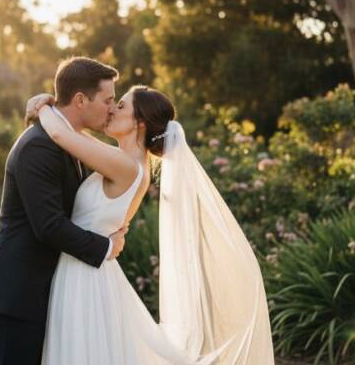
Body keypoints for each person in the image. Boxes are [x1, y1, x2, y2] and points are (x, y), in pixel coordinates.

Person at [26, 81, 275, 365]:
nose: (111, 109)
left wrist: (42, 106)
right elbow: (70, 134)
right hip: (88, 269)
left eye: (121, 106)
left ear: (139, 122)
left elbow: (59, 134)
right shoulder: (126, 161)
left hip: (83, 275)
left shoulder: (127, 167)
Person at [0, 56, 129, 365]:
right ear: (81, 100)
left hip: (41, 287)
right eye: (108, 100)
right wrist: (106, 247)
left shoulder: (67, 141)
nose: (112, 108)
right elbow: (48, 225)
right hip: (15, 289)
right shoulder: (39, 146)